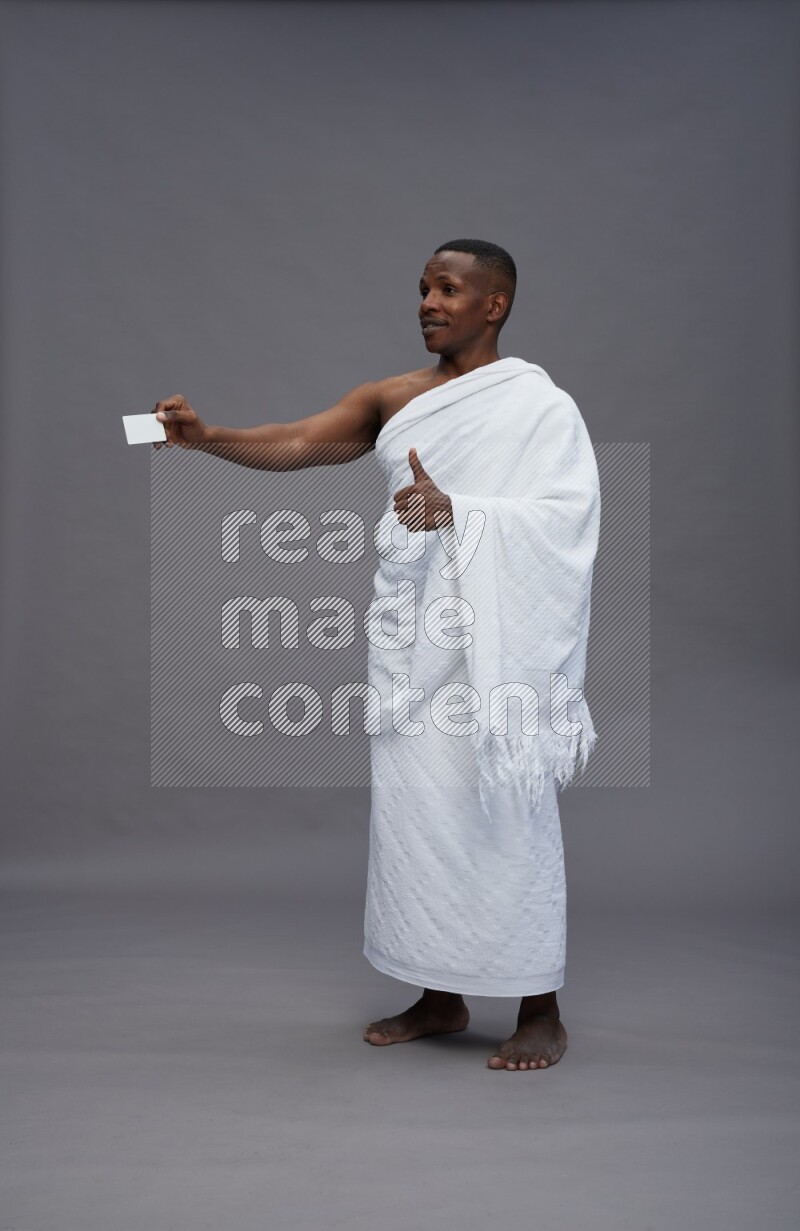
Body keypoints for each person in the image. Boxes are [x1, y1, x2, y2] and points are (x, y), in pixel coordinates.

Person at [152, 239, 600, 1071]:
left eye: (449, 289)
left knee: (508, 813)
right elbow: (296, 441)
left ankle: (540, 1006)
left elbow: (566, 516)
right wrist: (207, 437)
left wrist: (457, 508)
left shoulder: (540, 406)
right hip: (413, 645)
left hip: (494, 653)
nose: (429, 301)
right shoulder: (394, 398)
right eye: (424, 288)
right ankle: (440, 993)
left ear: (494, 304)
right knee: (418, 818)